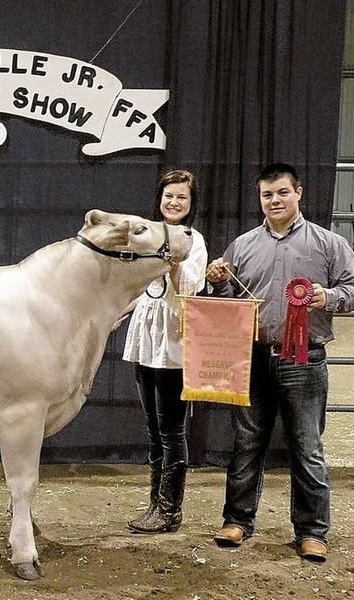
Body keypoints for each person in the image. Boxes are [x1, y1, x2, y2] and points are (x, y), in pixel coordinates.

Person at [206, 162, 354, 562]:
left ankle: (312, 531)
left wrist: (327, 297)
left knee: (307, 446)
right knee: (246, 443)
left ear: (299, 193)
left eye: (281, 193)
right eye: (266, 195)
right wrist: (218, 280)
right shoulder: (242, 246)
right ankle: (237, 520)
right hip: (254, 357)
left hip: (306, 358)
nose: (274, 201)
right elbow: (229, 304)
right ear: (259, 198)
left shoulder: (329, 243)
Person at [122, 169, 208, 534]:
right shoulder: (146, 232)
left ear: (191, 204)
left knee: (172, 430)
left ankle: (170, 510)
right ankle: (155, 503)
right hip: (147, 334)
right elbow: (132, 282)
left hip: (175, 337)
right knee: (153, 428)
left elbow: (191, 285)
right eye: (169, 195)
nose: (174, 202)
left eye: (182, 197)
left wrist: (172, 259)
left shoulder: (193, 240)